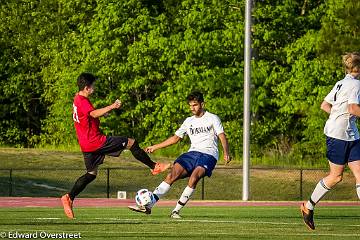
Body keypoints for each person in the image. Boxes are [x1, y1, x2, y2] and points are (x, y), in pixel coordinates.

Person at [61, 73, 170, 219]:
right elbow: (92, 114)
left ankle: (69, 197)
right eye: (92, 86)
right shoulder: (83, 101)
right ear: (86, 88)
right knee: (131, 142)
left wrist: (101, 114)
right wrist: (111, 106)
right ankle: (154, 166)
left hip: (86, 144)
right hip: (96, 141)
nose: (94, 88)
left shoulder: (77, 98)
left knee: (91, 174)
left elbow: (87, 115)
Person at [128, 91, 231, 218]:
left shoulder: (213, 118)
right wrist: (155, 146)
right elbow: (175, 138)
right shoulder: (188, 121)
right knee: (172, 175)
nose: (192, 108)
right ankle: (148, 206)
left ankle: (175, 211)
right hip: (192, 153)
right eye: (190, 105)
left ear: (202, 104)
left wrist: (226, 152)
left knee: (194, 177)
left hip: (208, 155)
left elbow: (222, 135)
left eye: (195, 105)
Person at [301, 52, 360, 230]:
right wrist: (341, 116)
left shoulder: (341, 83)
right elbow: (352, 108)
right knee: (336, 177)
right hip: (337, 135)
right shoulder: (356, 84)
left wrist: (337, 115)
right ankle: (308, 207)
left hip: (351, 134)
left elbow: (325, 105)